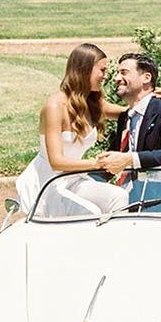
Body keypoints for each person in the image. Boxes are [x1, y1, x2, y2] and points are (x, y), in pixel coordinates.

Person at [15, 42, 123, 215]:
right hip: (48, 183)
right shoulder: (55, 107)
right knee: (91, 213)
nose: (105, 76)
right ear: (85, 70)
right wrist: (97, 164)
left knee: (118, 197)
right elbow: (56, 162)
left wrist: (151, 101)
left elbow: (126, 113)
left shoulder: (92, 102)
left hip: (73, 179)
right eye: (102, 70)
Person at [97, 51, 161, 180]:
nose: (116, 78)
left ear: (146, 78)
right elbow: (112, 160)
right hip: (133, 196)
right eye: (117, 73)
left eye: (124, 72)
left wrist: (130, 159)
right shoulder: (125, 118)